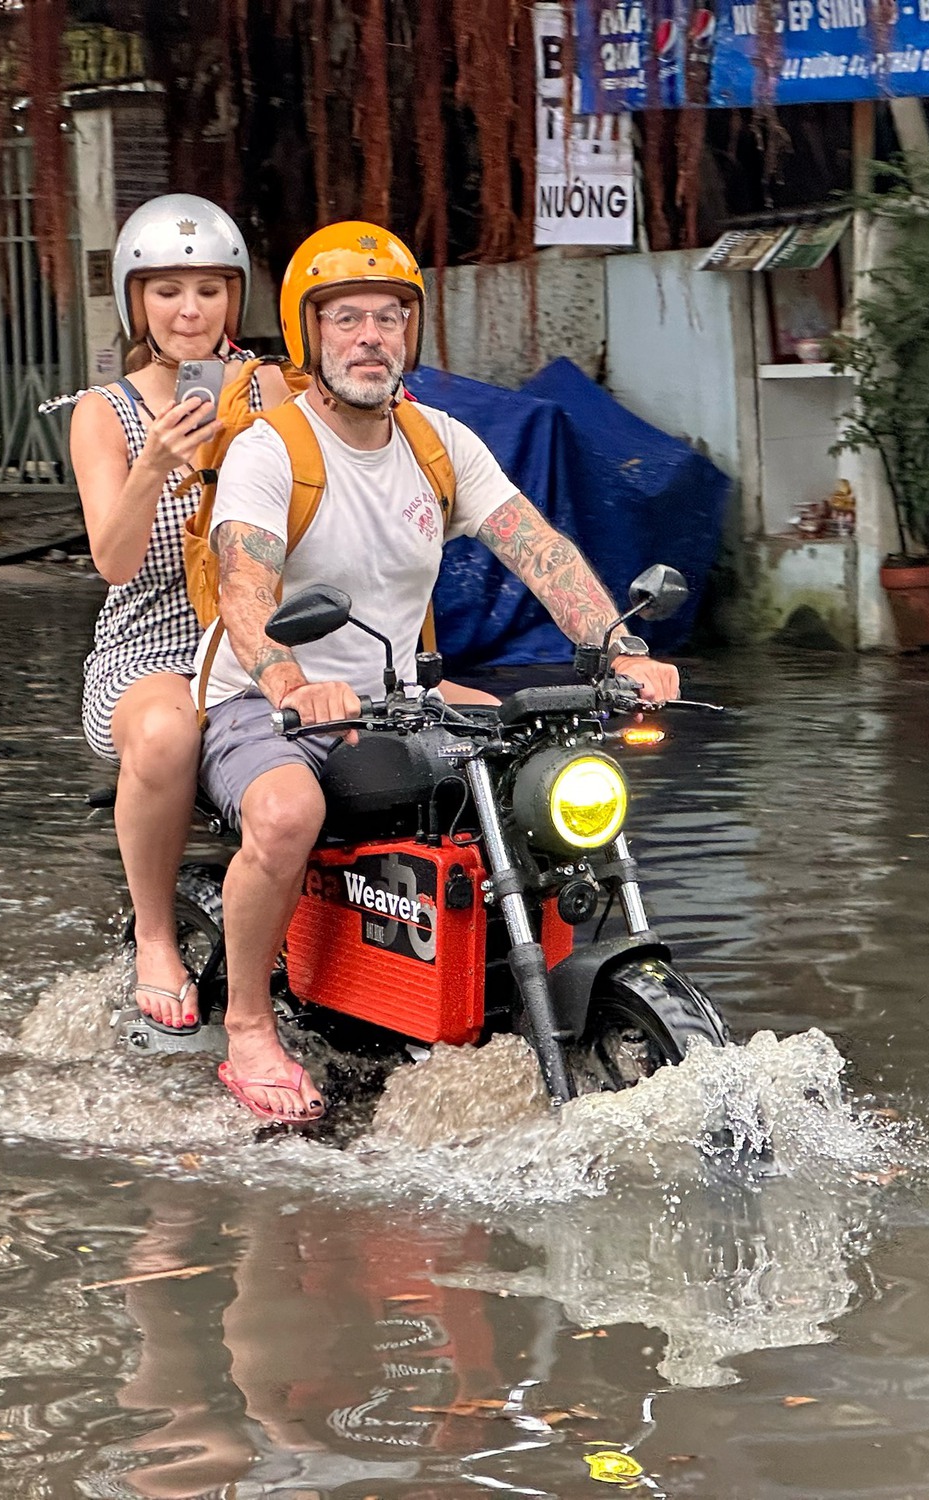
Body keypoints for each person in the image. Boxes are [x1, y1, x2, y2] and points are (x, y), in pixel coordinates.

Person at [194, 221, 680, 1122]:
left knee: (521, 768)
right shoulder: (273, 449)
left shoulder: (440, 443)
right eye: (346, 319)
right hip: (260, 702)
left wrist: (619, 644)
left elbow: (537, 549)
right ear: (310, 335)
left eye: (389, 317)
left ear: (411, 333)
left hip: (395, 698)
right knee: (289, 809)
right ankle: (252, 1028)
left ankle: (465, 987)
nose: (370, 336)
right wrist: (290, 683)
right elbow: (244, 593)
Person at [69, 194, 291, 1036]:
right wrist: (156, 462)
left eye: (208, 289)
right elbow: (113, 563)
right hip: (153, 643)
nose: (190, 311)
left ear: (235, 298)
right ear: (137, 302)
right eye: (167, 291)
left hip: (262, 628)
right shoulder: (107, 412)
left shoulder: (271, 388)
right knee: (168, 731)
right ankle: (155, 935)